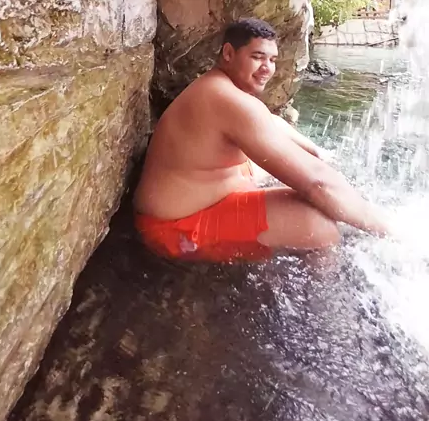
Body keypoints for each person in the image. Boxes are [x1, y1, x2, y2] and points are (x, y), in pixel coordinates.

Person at [134, 18, 391, 262]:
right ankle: (324, 290)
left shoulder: (217, 87)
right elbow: (317, 183)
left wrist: (316, 152)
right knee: (319, 225)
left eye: (272, 59)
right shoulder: (228, 100)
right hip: (172, 229)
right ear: (228, 53)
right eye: (257, 57)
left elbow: (271, 122)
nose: (267, 68)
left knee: (272, 167)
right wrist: (391, 232)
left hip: (197, 198)